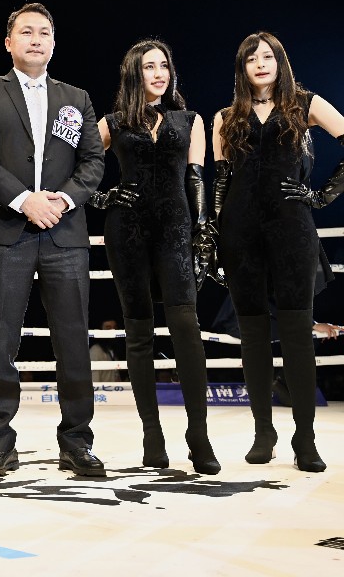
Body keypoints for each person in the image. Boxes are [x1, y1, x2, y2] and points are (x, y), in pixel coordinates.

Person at [0, 2, 105, 477]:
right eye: (26, 32)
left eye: (44, 32)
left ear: (54, 43)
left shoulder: (76, 97)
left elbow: (94, 162)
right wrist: (25, 201)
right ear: (9, 42)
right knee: (0, 340)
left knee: (74, 340)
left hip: (65, 230)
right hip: (6, 229)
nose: (36, 39)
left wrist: (62, 200)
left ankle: (77, 441)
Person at [211, 30, 344, 472]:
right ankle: (263, 432)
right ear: (242, 67)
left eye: (267, 56)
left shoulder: (305, 104)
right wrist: (212, 233)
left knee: (297, 334)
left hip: (292, 229)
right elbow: (220, 182)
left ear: (279, 61)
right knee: (252, 335)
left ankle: (305, 439)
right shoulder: (226, 117)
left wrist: (322, 196)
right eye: (251, 58)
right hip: (240, 232)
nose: (260, 64)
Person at [89, 38, 219, 473]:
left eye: (164, 65)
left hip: (176, 230)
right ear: (134, 73)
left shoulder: (190, 119)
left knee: (186, 326)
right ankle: (152, 434)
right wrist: (104, 198)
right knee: (138, 331)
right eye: (149, 66)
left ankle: (198, 435)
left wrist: (203, 230)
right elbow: (77, 168)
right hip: (126, 231)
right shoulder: (113, 122)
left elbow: (196, 177)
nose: (159, 73)